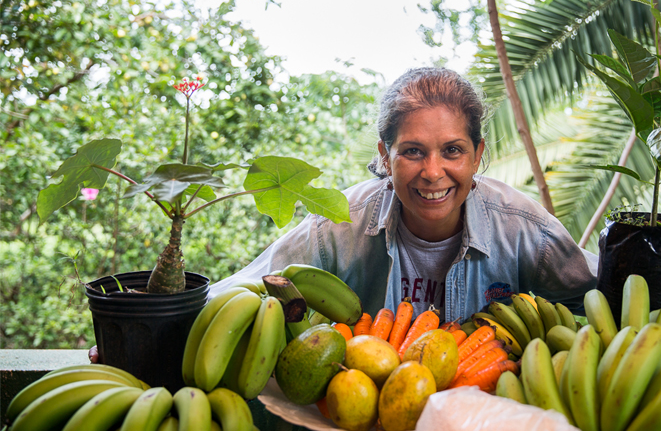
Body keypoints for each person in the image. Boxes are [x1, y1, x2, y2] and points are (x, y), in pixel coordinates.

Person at [210, 67, 598, 322]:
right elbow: (244, 288)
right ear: (385, 155)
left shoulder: (521, 228)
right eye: (412, 151)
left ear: (477, 155)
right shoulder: (342, 226)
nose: (432, 172)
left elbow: (602, 293)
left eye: (452, 150)